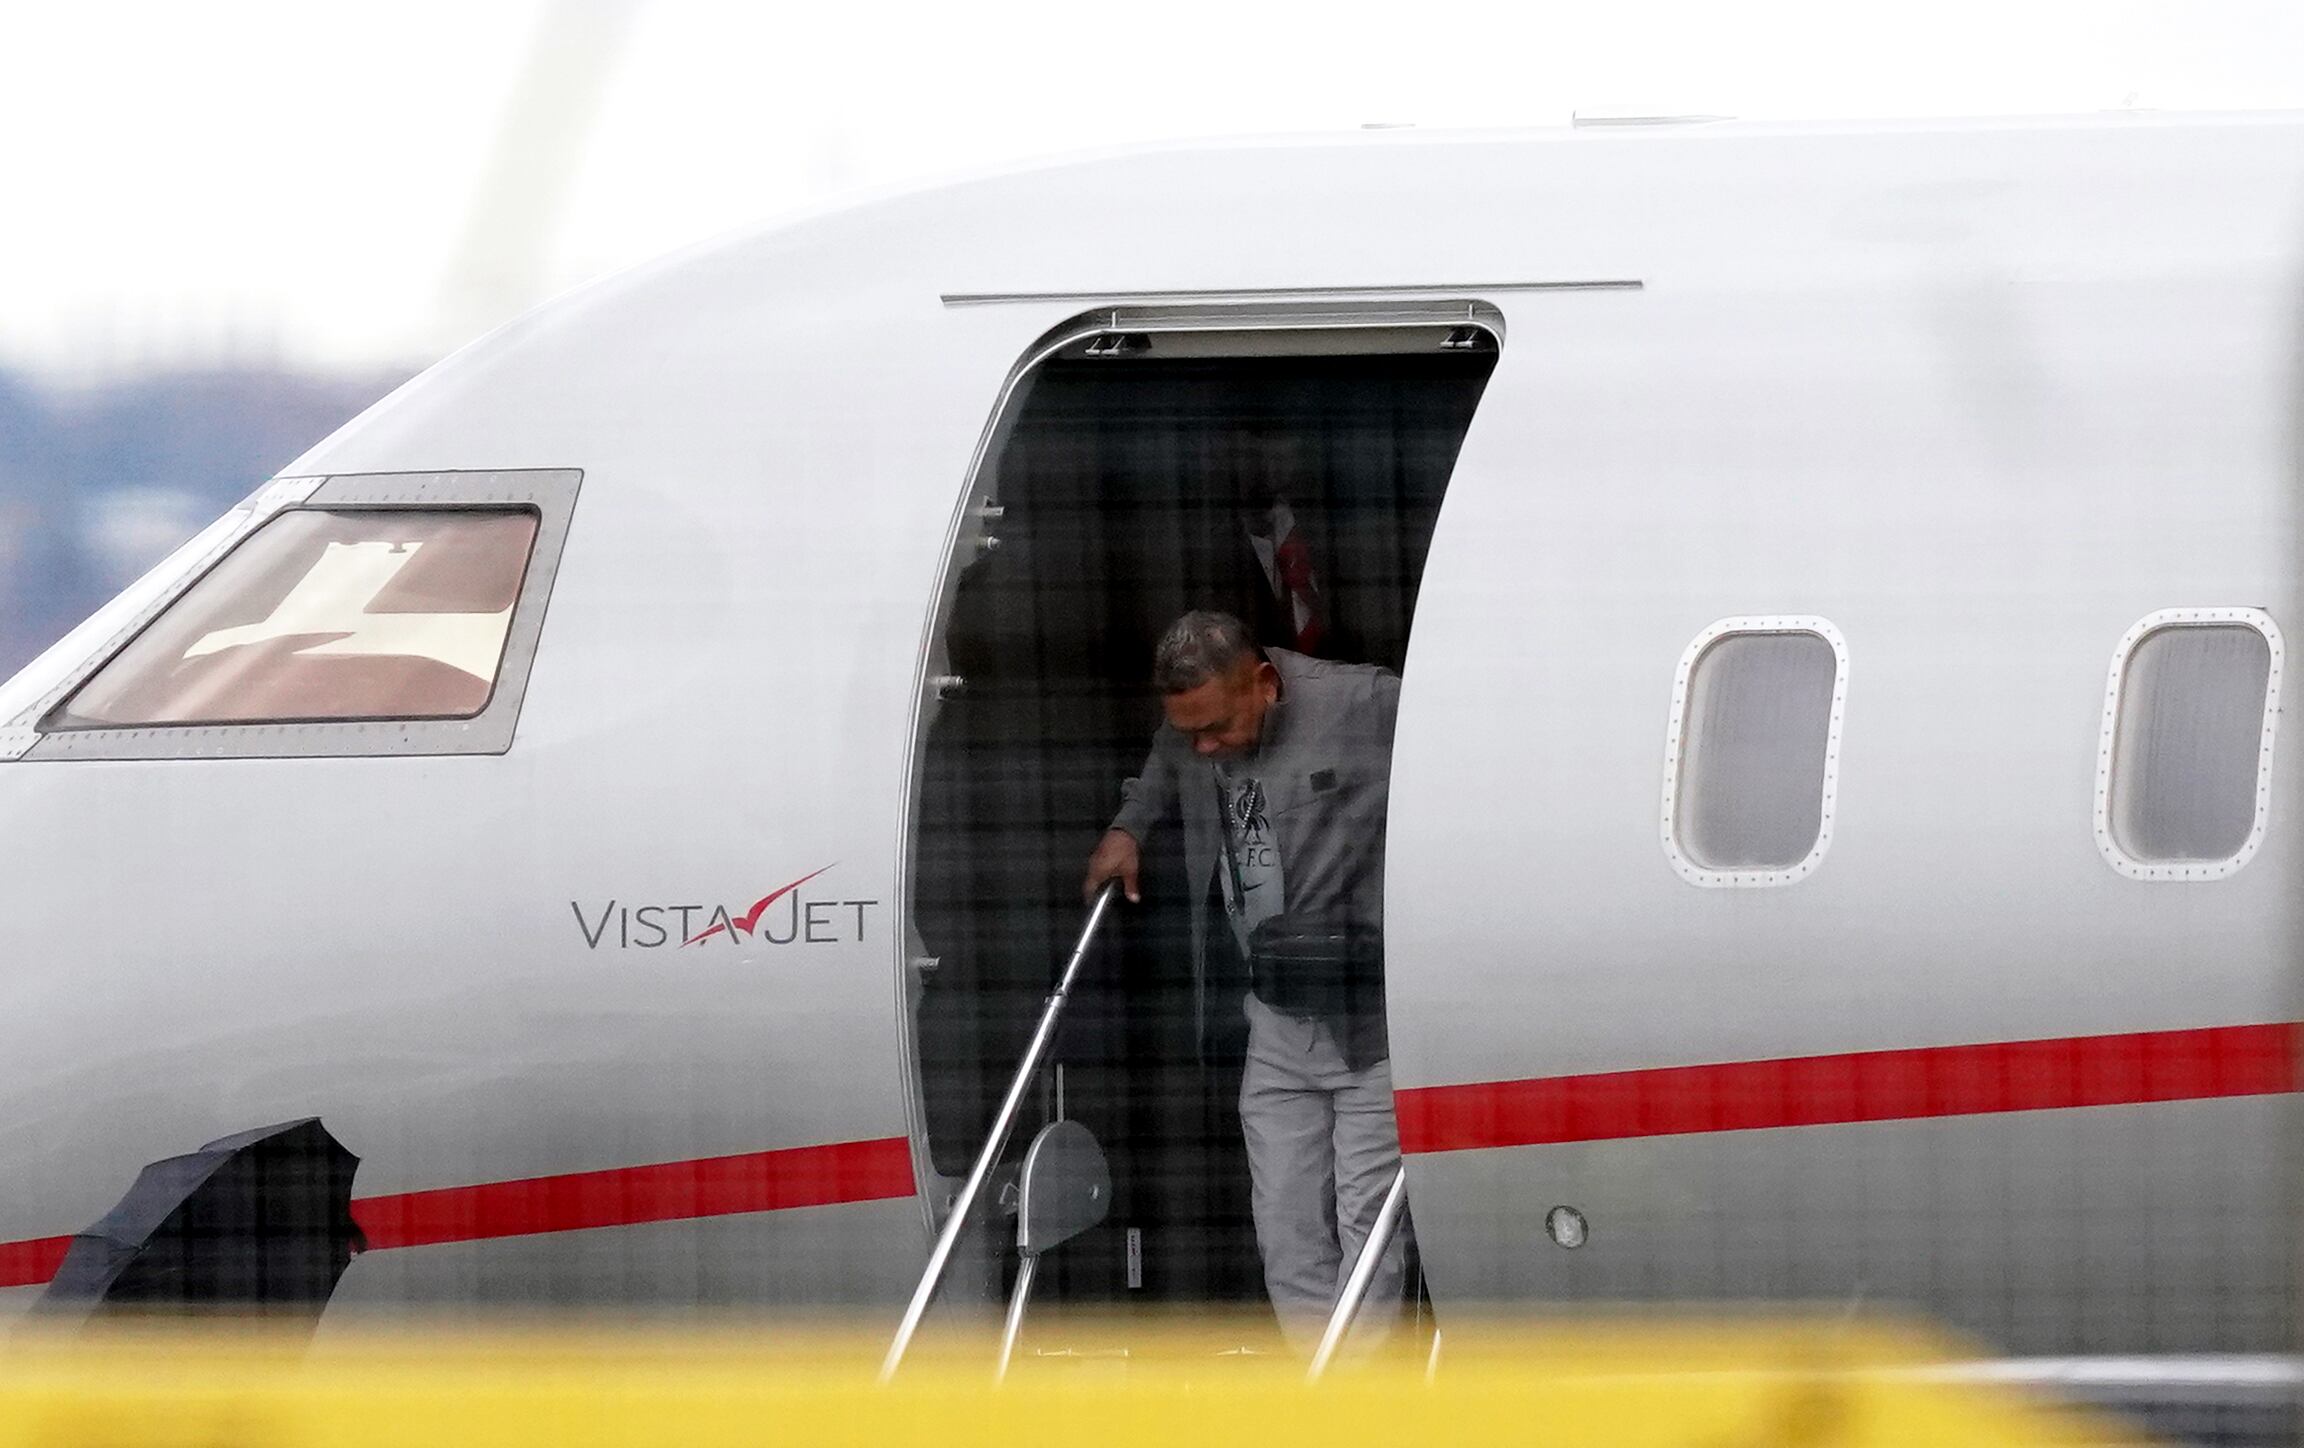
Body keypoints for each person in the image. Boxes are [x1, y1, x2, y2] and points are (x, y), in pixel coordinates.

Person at [1083, 610, 1406, 1352]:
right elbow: (1168, 755)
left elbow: (1467, 734)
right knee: (1284, 1226)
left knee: (1367, 1221)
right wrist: (1128, 827)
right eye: (1190, 732)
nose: (1203, 747)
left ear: (1264, 683)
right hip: (1274, 1015)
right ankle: (1320, 1386)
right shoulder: (1193, 731)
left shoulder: (1365, 703)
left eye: (1216, 728)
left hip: (1371, 1019)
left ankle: (1363, 1398)